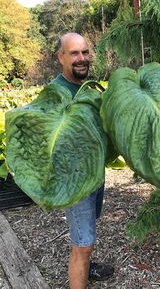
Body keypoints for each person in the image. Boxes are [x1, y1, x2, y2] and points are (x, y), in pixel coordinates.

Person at [52, 32, 114, 289]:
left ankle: (88, 265)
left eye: (85, 52)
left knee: (87, 232)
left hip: (95, 175)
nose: (81, 58)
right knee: (83, 244)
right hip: (76, 182)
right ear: (61, 57)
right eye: (74, 53)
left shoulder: (89, 88)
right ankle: (82, 268)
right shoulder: (56, 94)